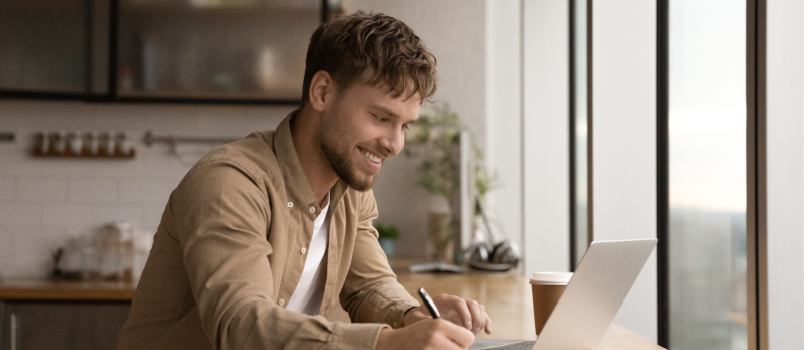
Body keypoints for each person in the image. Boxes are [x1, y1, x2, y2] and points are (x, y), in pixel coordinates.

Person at [117, 11, 491, 350]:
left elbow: (368, 286)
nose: (395, 144)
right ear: (323, 92)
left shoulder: (350, 187)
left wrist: (413, 317)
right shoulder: (229, 183)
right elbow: (239, 323)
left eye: (405, 125)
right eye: (380, 117)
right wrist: (387, 344)